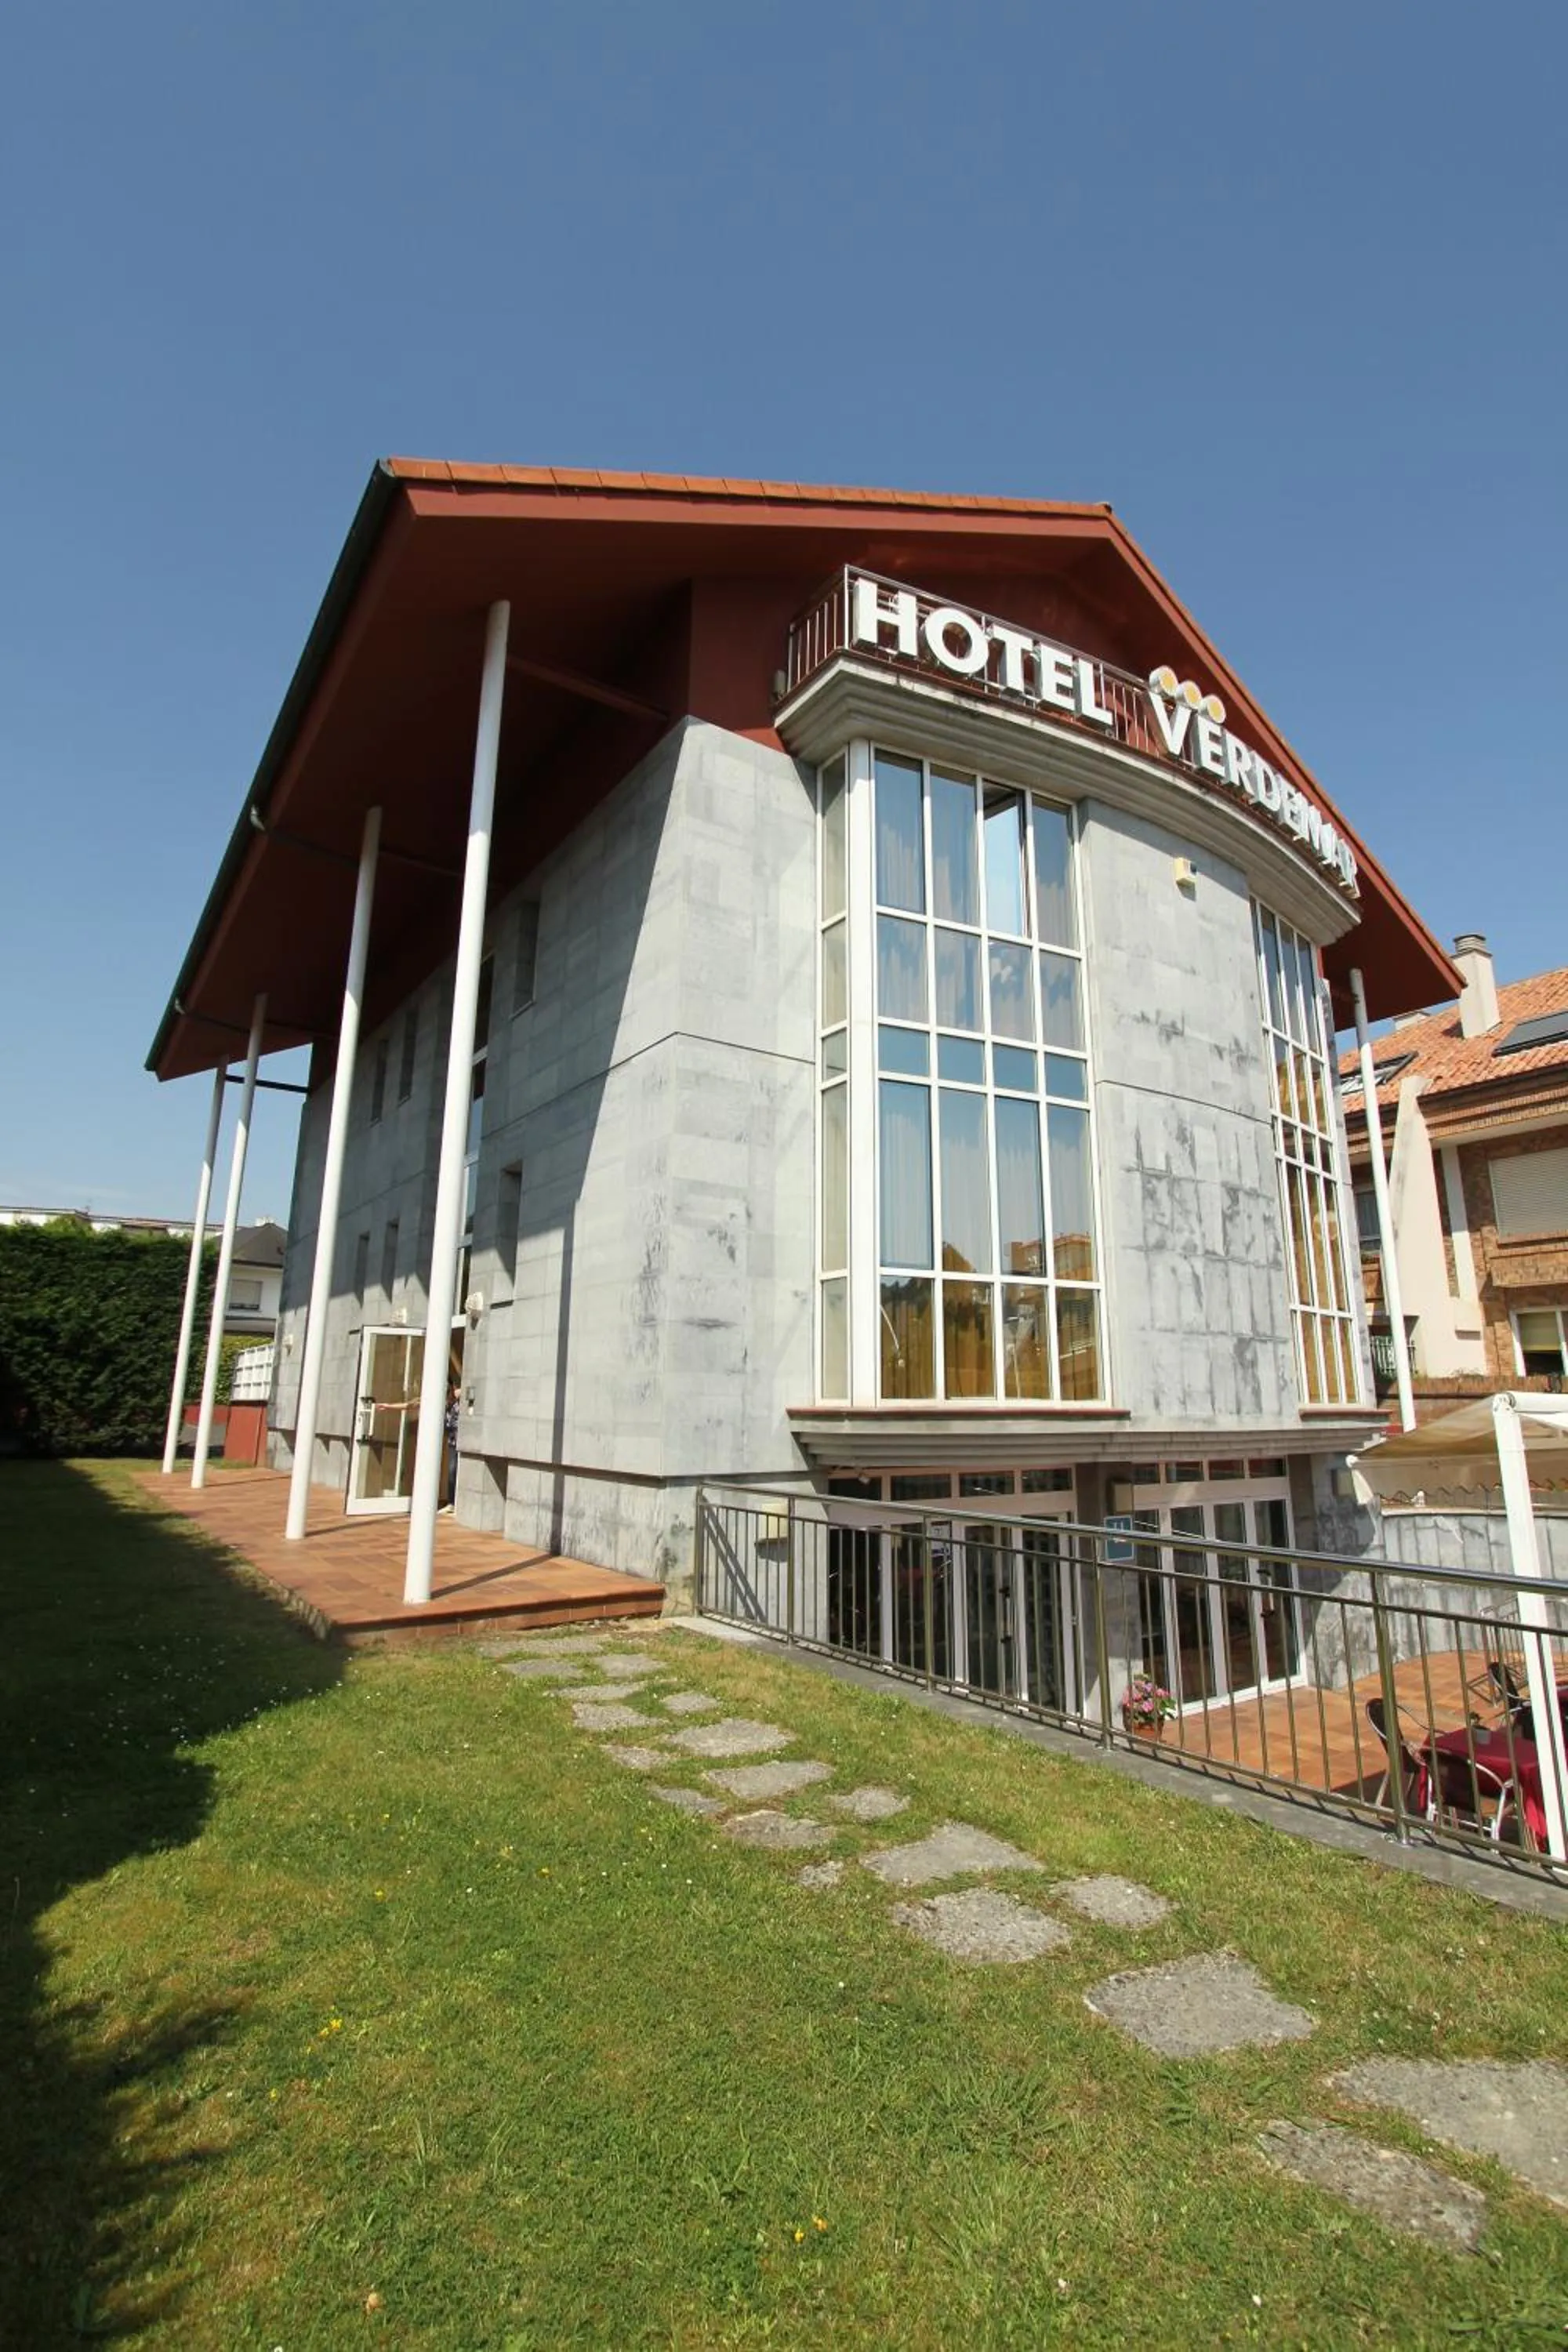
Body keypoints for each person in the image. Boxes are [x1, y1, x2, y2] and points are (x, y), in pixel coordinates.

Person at [443, 1380, 459, 1509]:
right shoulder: (447, 1403)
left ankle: (455, 1502)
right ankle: (451, 1502)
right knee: (452, 1470)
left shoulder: (459, 1401)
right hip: (453, 1442)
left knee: (455, 1470)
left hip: (462, 1441)